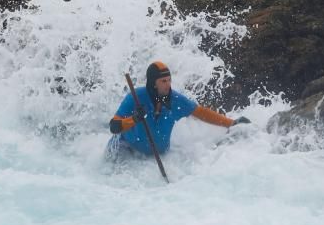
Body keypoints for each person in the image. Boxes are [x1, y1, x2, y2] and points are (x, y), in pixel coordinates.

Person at [107, 62, 250, 158]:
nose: (168, 85)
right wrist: (134, 119)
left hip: (158, 158)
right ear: (153, 84)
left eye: (169, 80)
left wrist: (231, 123)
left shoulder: (175, 99)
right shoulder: (136, 97)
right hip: (126, 151)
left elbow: (201, 113)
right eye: (163, 81)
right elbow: (114, 126)